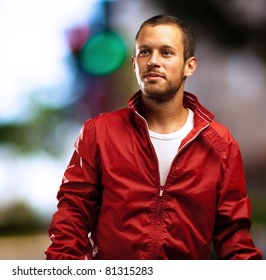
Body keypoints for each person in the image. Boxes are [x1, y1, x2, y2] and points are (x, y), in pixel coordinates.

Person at [45, 15, 263, 260]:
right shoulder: (99, 131)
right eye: (145, 52)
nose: (153, 61)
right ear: (134, 63)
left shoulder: (220, 144)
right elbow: (72, 215)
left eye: (167, 52)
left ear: (189, 65)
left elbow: (234, 237)